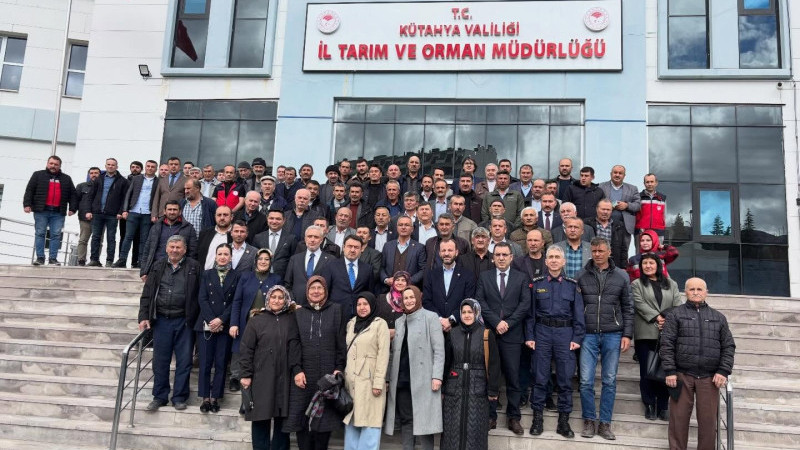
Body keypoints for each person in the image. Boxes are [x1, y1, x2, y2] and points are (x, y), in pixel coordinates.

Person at [661, 278, 735, 450]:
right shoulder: (675, 315)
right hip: (681, 375)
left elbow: (728, 346)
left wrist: (723, 371)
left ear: (706, 292)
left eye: (699, 289)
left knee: (708, 422)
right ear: (685, 292)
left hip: (709, 378)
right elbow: (667, 344)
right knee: (678, 420)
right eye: (692, 289)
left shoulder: (718, 317)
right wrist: (670, 371)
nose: (696, 292)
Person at [576, 237, 634, 440]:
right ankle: (589, 421)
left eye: (601, 251)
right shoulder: (581, 275)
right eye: (594, 251)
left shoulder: (621, 276)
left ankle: (605, 423)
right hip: (588, 334)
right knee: (585, 380)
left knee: (609, 380)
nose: (597, 254)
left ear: (609, 252)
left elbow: (628, 307)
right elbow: (576, 307)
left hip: (613, 333)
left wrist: (627, 334)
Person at [526, 246, 585, 438]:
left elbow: (579, 314)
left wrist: (577, 337)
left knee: (565, 379)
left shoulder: (572, 285)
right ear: (545, 261)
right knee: (540, 377)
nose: (553, 260)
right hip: (542, 333)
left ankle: (563, 422)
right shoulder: (537, 284)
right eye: (550, 257)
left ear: (563, 261)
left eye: (557, 257)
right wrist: (530, 336)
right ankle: (537, 419)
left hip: (565, 334)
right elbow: (530, 314)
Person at [138, 235, 201, 411]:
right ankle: (159, 396)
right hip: (161, 321)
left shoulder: (194, 267)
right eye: (172, 247)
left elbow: (200, 294)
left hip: (184, 322)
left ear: (185, 250)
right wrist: (143, 316)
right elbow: (147, 293)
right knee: (160, 362)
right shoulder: (157, 266)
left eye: (178, 247)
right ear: (166, 248)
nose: (175, 250)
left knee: (184, 361)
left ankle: (179, 397)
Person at [284, 276, 346, 450]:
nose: (316, 291)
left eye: (320, 288)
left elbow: (341, 342)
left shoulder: (336, 310)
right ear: (307, 291)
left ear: (325, 291)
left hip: (327, 377)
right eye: (312, 288)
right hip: (304, 377)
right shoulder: (299, 313)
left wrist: (339, 368)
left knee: (323, 424)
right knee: (302, 422)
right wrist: (297, 370)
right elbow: (294, 343)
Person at [475, 242, 531, 434]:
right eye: (497, 254)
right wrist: (496, 322)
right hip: (490, 334)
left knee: (513, 377)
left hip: (512, 334)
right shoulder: (484, 277)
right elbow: (480, 301)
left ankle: (513, 417)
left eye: (504, 255)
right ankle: (490, 416)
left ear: (511, 257)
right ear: (493, 258)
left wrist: (508, 323)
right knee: (491, 376)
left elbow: (525, 304)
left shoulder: (521, 278)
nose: (501, 258)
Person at [239, 284, 300, 450]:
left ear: (286, 300)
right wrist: (246, 374)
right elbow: (246, 349)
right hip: (262, 378)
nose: (277, 301)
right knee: (261, 419)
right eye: (273, 297)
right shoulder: (256, 320)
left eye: (281, 297)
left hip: (285, 378)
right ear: (268, 299)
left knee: (282, 421)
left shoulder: (292, 320)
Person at [384, 286, 444, 450]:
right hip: (402, 380)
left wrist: (437, 376)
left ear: (418, 298)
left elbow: (439, 350)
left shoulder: (430, 317)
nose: (409, 301)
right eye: (406, 298)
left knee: (425, 422)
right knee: (407, 420)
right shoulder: (399, 321)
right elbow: (393, 352)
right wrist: (388, 378)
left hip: (424, 379)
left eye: (412, 297)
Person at [441, 299, 500, 450]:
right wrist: (443, 387)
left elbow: (494, 364)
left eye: (470, 312)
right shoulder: (453, 333)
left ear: (476, 313)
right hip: (454, 389)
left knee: (475, 432)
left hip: (478, 389)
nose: (467, 315)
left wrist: (493, 390)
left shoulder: (486, 334)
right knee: (452, 430)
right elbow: (446, 362)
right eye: (464, 312)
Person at [631, 253, 683, 421]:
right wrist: (657, 317)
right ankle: (649, 404)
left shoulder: (671, 284)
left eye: (651, 263)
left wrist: (666, 319)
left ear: (658, 265)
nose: (648, 266)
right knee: (646, 371)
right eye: (644, 263)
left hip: (667, 334)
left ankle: (663, 405)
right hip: (646, 333)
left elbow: (677, 305)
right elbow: (639, 303)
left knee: (665, 370)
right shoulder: (636, 284)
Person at [229, 249, 283, 393]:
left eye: (266, 259)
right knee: (240, 347)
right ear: (255, 261)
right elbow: (237, 301)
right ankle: (235, 376)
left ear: (270, 262)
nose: (263, 262)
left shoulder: (276, 279)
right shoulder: (246, 277)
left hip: (266, 322)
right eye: (260, 259)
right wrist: (234, 323)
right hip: (246, 321)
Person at [195, 243, 240, 413]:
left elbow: (235, 301)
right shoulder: (207, 274)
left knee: (221, 363)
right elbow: (202, 298)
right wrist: (211, 320)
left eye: (226, 254)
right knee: (205, 363)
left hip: (224, 326)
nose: (222, 257)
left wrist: (221, 320)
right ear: (215, 256)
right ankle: (205, 398)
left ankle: (215, 398)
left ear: (231, 257)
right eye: (220, 254)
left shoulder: (237, 276)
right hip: (206, 325)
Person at [343, 292, 391, 450]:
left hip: (370, 383)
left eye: (365, 304)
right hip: (351, 383)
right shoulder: (351, 323)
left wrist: (378, 382)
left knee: (370, 423)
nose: (362, 307)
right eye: (359, 304)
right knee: (352, 422)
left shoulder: (380, 324)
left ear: (372, 305)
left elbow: (383, 355)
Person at [23, 155, 77, 265]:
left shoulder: (66, 178)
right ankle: (40, 258)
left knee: (56, 235)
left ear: (60, 166)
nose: (53, 166)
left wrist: (72, 208)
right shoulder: (38, 175)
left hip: (58, 212)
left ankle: (53, 259)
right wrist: (27, 204)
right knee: (40, 233)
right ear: (47, 164)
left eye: (56, 164)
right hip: (41, 211)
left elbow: (73, 195)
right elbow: (29, 190)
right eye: (51, 163)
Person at [422, 238, 476, 331]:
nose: (446, 253)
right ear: (439, 253)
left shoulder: (467, 275)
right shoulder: (431, 275)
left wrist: (451, 320)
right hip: (435, 327)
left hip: (459, 328)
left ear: (456, 252)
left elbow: (468, 301)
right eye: (443, 250)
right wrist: (440, 320)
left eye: (450, 250)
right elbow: (426, 301)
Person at [139, 200, 197, 279]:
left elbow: (192, 252)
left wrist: (188, 271)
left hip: (179, 271)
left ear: (180, 212)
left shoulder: (188, 228)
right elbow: (147, 249)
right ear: (164, 211)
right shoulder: (156, 227)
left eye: (175, 209)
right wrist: (143, 271)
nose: (172, 212)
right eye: (169, 209)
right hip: (156, 269)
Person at [87, 158, 129, 267]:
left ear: (117, 167)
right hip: (97, 213)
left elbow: (124, 198)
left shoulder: (122, 181)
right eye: (108, 164)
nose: (110, 166)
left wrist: (120, 211)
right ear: (105, 166)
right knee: (95, 237)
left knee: (111, 238)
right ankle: (94, 259)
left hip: (113, 214)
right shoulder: (98, 179)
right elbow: (91, 195)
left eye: (113, 165)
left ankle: (109, 261)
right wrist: (89, 210)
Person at [116, 160, 158, 268]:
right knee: (127, 237)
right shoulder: (137, 179)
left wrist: (155, 213)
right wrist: (125, 210)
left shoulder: (158, 181)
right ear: (145, 167)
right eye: (148, 166)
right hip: (133, 211)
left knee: (144, 239)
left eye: (152, 167)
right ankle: (122, 260)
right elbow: (128, 194)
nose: (150, 168)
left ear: (156, 169)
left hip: (147, 213)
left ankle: (141, 262)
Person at [323, 235, 375, 319]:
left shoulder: (367, 269)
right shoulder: (331, 266)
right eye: (349, 246)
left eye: (356, 247)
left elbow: (370, 294)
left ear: (361, 249)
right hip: (336, 314)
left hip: (359, 316)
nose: (352, 250)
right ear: (343, 247)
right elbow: (325, 291)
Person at [284, 225, 335, 305]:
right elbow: (287, 284)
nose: (312, 240)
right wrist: (292, 302)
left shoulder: (331, 260)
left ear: (321, 240)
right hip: (297, 305)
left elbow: (333, 286)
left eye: (316, 237)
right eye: (309, 236)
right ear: (305, 238)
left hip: (321, 306)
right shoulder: (295, 259)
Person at [599, 165, 641, 252]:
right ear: (611, 174)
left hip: (625, 227)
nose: (617, 175)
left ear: (624, 175)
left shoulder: (633, 188)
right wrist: (608, 206)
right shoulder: (601, 187)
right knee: (604, 250)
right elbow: (595, 203)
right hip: (605, 225)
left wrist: (627, 205)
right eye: (615, 172)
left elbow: (638, 205)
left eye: (620, 173)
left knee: (623, 252)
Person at [380, 215, 426, 288]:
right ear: (397, 228)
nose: (403, 227)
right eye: (400, 225)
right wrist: (386, 279)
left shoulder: (420, 247)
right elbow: (381, 267)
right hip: (388, 289)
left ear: (412, 229)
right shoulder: (387, 246)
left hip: (410, 290)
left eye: (407, 225)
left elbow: (423, 270)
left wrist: (409, 281)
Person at [584, 199, 629, 269]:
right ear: (597, 209)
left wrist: (623, 267)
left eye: (608, 210)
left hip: (613, 264)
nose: (605, 212)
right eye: (603, 209)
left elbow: (623, 248)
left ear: (611, 211)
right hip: (592, 263)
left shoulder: (619, 225)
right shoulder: (587, 223)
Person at [253, 208, 296, 278]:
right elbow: (254, 260)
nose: (274, 221)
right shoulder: (258, 238)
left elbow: (293, 262)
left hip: (282, 278)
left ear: (284, 221)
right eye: (271, 218)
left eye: (278, 219)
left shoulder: (291, 238)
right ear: (267, 219)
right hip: (261, 277)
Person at [75, 167, 101, 265]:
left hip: (99, 218)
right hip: (84, 218)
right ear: (89, 175)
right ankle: (81, 260)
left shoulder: (103, 187)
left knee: (98, 240)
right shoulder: (82, 186)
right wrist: (76, 210)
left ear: (100, 174)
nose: (94, 175)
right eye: (92, 173)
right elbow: (76, 200)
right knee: (83, 239)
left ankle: (95, 260)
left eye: (96, 173)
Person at [375, 271, 410, 335]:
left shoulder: (411, 301)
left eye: (403, 280)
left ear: (408, 283)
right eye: (397, 280)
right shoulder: (381, 298)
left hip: (403, 337)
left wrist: (395, 332)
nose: (400, 283)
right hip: (382, 336)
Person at [635, 173, 667, 241]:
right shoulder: (638, 197)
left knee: (658, 249)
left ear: (656, 183)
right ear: (644, 183)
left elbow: (664, 216)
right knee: (641, 249)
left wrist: (662, 228)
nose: (649, 184)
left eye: (652, 182)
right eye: (647, 182)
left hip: (658, 232)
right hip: (641, 232)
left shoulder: (662, 198)